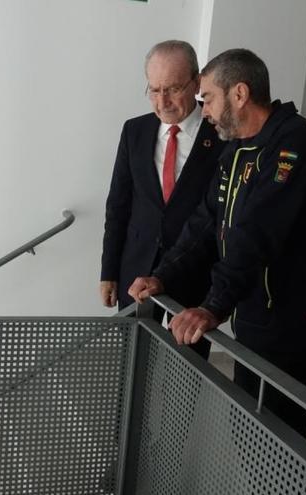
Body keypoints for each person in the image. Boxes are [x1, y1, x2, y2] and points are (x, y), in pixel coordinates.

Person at [129, 48, 306, 438]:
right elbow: (205, 222)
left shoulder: (294, 144)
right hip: (255, 311)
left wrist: (212, 306)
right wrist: (162, 277)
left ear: (239, 94)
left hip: (291, 319)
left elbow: (257, 233)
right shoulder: (238, 148)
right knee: (249, 428)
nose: (203, 109)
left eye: (207, 98)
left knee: (278, 436)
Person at [100, 40, 225, 359]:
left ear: (197, 82)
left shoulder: (222, 136)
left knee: (189, 364)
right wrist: (109, 270)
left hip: (195, 275)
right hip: (136, 269)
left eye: (172, 89)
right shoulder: (135, 131)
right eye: (154, 90)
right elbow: (118, 205)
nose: (162, 101)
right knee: (132, 359)